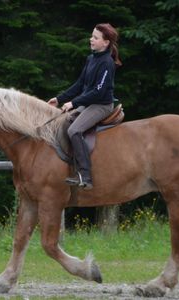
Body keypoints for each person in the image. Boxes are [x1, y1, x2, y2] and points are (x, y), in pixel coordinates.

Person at [48, 23, 121, 189]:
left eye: (95, 37)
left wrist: (73, 103)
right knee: (64, 123)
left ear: (106, 42)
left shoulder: (107, 63)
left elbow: (99, 92)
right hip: (89, 103)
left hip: (101, 105)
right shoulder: (91, 58)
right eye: (92, 36)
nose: (91, 39)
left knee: (74, 130)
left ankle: (85, 176)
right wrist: (59, 99)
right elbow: (80, 84)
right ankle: (70, 166)